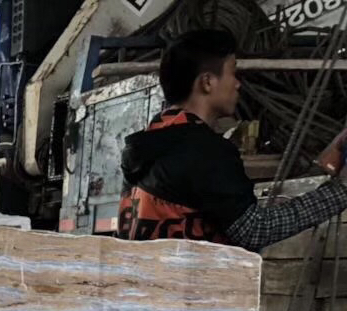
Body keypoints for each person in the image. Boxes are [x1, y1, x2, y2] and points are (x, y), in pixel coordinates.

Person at [116, 28, 347, 249]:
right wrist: (341, 191)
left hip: (153, 276)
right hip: (194, 278)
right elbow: (254, 230)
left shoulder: (149, 144)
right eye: (233, 73)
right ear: (207, 82)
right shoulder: (204, 149)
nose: (238, 84)